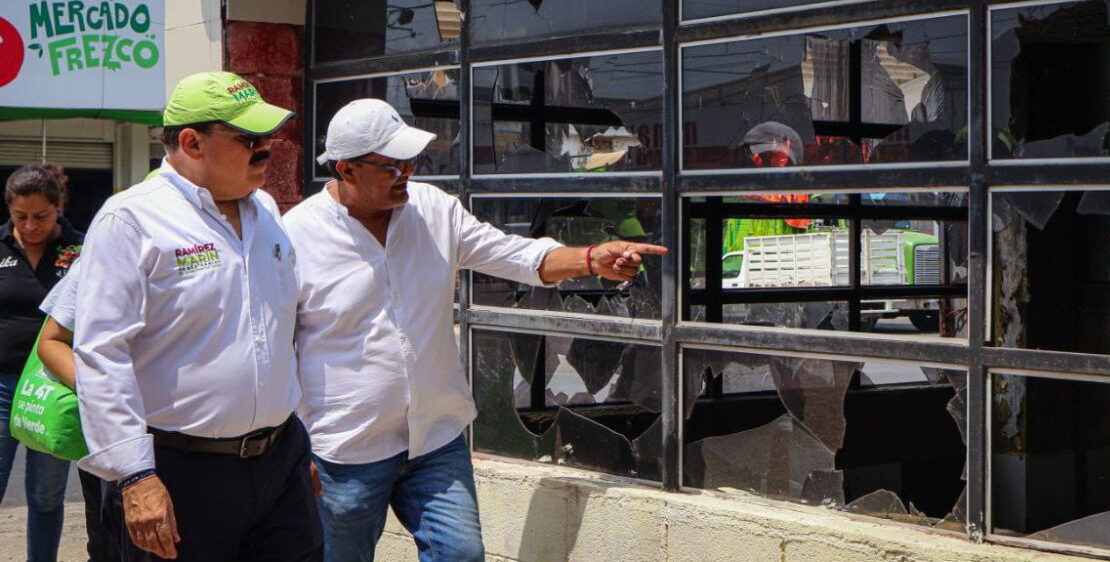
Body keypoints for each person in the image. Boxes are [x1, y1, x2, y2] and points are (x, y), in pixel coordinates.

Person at [284, 98, 667, 562]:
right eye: (391, 166)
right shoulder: (296, 237)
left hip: (435, 440)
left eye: (410, 161)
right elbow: (279, 351)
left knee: (462, 554)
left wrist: (590, 259)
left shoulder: (432, 209)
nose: (407, 172)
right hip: (346, 451)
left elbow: (515, 255)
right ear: (346, 170)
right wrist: (292, 447)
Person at [72, 71, 322, 561]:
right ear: (191, 142)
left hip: (280, 463)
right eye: (251, 140)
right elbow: (102, 354)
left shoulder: (266, 211)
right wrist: (136, 475)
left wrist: (300, 438)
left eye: (268, 137)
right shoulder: (131, 220)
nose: (266, 150)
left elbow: (285, 332)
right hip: (179, 472)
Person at [0, 165, 82, 562]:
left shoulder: (82, 251)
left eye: (41, 217)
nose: (30, 226)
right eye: (20, 217)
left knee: (47, 496)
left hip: (54, 387)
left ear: (58, 207)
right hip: (0, 388)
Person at [36, 264, 123, 562]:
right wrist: (102, 395)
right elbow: (51, 340)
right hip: (113, 436)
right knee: (109, 546)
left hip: (224, 448)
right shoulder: (101, 251)